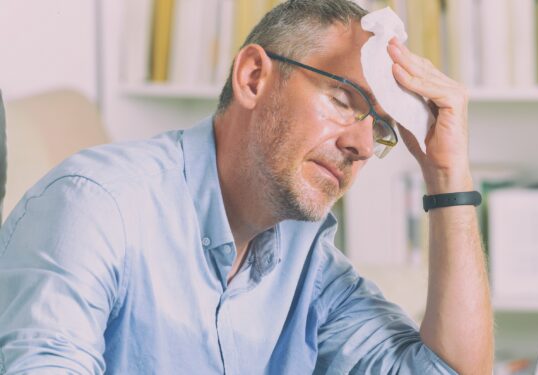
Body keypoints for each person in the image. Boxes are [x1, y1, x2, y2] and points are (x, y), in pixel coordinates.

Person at [0, 0, 493, 373]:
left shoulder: (309, 264)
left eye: (382, 129)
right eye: (345, 100)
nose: (363, 146)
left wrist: (448, 175)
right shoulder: (94, 206)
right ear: (254, 77)